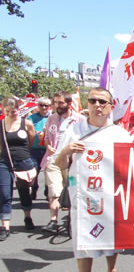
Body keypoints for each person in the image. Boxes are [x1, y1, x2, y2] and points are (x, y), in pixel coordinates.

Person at [55, 87, 132, 272]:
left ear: (110, 106)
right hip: (83, 198)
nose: (97, 105)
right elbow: (60, 164)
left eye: (102, 101)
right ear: (87, 104)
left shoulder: (120, 134)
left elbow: (131, 166)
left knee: (111, 239)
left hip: (110, 198)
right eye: (92, 101)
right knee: (83, 244)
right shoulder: (74, 130)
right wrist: (66, 151)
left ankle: (111, 269)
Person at [41, 92, 85, 233]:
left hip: (71, 161)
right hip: (53, 159)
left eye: (61, 103)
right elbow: (47, 137)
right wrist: (48, 146)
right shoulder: (51, 119)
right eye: (55, 103)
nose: (57, 106)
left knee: (72, 191)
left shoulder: (80, 120)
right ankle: (53, 220)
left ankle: (72, 220)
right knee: (54, 191)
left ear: (68, 103)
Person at [0, 97, 36, 240]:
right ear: (3, 110)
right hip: (4, 162)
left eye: (13, 112)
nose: (10, 114)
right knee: (4, 194)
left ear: (18, 110)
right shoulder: (1, 125)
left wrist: (24, 154)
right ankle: (5, 226)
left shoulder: (26, 124)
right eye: (7, 111)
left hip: (23, 161)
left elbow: (31, 140)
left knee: (24, 192)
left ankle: (27, 217)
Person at [27, 97, 52, 200]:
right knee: (34, 170)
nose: (44, 107)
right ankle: (34, 187)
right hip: (34, 148)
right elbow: (27, 131)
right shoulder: (31, 118)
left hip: (47, 149)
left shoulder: (53, 118)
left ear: (49, 107)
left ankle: (47, 189)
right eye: (41, 105)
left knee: (48, 171)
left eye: (46, 105)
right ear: (38, 106)